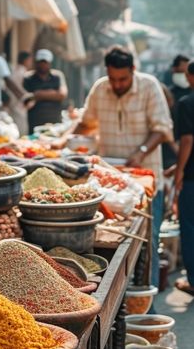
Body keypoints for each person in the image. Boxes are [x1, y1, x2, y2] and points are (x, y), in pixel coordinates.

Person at [71, 45, 173, 288]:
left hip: (144, 178)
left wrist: (141, 152)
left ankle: (147, 304)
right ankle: (123, 296)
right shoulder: (100, 88)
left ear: (133, 70)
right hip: (110, 181)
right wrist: (68, 144)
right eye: (113, 78)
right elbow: (86, 123)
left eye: (123, 79)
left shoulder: (149, 86)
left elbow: (162, 129)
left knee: (148, 240)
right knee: (113, 242)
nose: (117, 84)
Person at [174, 59, 194, 295]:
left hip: (191, 178)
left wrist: (178, 171)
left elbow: (188, 141)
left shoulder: (187, 103)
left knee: (189, 228)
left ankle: (192, 281)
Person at [23, 49, 68, 132]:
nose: (43, 65)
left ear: (50, 63)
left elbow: (62, 95)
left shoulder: (57, 76)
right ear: (36, 62)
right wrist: (53, 94)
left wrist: (38, 94)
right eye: (41, 62)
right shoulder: (28, 78)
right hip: (35, 122)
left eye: (45, 62)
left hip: (55, 121)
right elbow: (26, 99)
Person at [8, 50, 33, 136]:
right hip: (19, 106)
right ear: (26, 60)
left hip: (13, 105)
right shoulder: (23, 73)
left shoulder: (14, 71)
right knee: (21, 133)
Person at [169, 54, 190, 138]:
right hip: (174, 140)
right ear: (174, 70)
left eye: (187, 73)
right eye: (181, 72)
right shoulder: (168, 94)